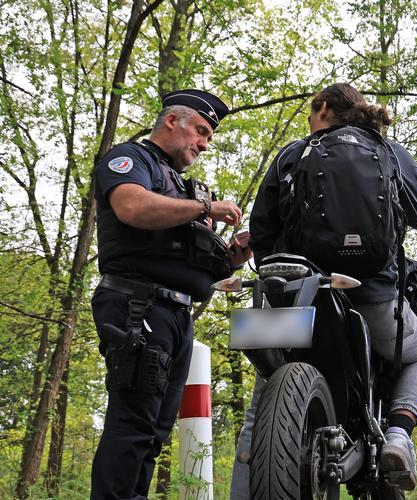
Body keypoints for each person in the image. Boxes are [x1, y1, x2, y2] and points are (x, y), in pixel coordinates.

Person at [238, 82, 417, 494]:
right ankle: (399, 435)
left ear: (324, 108)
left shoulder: (293, 154)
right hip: (372, 293)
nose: (309, 122)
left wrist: (276, 283)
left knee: (260, 412)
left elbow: (261, 230)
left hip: (296, 297)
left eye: (310, 113)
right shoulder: (388, 150)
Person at [91, 89, 251, 499]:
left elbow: (198, 265)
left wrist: (235, 255)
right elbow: (132, 207)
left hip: (176, 316)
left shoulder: (184, 187)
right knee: (133, 426)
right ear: (171, 121)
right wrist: (205, 210)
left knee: (154, 432)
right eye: (200, 131)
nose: (203, 143)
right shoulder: (130, 159)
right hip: (137, 306)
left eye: (209, 137)